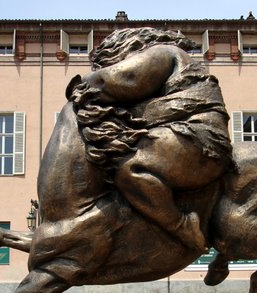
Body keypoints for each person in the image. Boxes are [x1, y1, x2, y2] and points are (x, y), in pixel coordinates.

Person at [68, 28, 232, 253]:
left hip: (200, 140)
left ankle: (183, 225)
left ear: (124, 49)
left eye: (105, 64)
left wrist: (82, 85)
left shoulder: (164, 53)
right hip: (186, 136)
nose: (103, 68)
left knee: (131, 167)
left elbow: (123, 79)